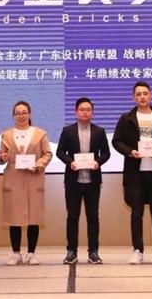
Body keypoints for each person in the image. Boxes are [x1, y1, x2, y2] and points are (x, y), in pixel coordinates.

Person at [112, 81, 152, 265]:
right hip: (135, 174)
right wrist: (130, 151)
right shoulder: (126, 118)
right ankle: (137, 250)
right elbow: (117, 141)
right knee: (136, 214)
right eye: (138, 94)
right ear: (133, 97)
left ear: (151, 95)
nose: (142, 97)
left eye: (145, 93)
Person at [56, 97, 111, 265]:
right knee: (72, 217)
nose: (85, 112)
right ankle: (71, 252)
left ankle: (93, 252)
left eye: (88, 110)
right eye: (81, 109)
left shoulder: (99, 131)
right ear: (76, 112)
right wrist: (70, 162)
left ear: (92, 112)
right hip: (73, 181)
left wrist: (98, 163)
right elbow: (60, 152)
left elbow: (106, 153)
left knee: (93, 217)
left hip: (93, 181)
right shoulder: (67, 131)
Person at [0, 101, 52, 265]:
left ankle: (31, 253)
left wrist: (38, 164)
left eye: (24, 112)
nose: (21, 116)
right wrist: (2, 157)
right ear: (13, 116)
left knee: (33, 217)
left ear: (29, 114)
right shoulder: (6, 135)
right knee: (14, 217)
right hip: (14, 177)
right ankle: (16, 253)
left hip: (33, 176)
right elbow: (1, 156)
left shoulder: (39, 134)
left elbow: (47, 154)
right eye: (17, 113)